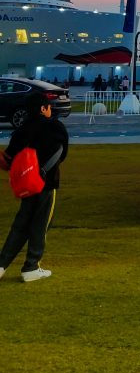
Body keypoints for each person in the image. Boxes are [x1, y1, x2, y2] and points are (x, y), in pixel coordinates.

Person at [0, 96, 69, 282]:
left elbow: (7, 160)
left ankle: (2, 264)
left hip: (26, 185)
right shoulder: (55, 127)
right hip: (47, 183)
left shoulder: (21, 131)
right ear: (44, 108)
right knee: (40, 224)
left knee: (20, 225)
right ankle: (31, 266)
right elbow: (62, 154)